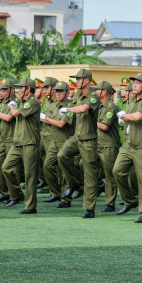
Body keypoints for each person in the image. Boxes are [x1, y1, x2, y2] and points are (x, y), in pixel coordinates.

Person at [56, 69, 101, 217]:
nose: (76, 81)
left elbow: (83, 109)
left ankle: (89, 208)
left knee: (89, 175)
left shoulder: (94, 96)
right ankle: (73, 182)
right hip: (77, 137)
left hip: (89, 139)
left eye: (79, 79)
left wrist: (67, 109)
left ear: (87, 80)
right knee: (61, 156)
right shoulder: (77, 95)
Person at [113, 72, 142, 222]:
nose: (134, 85)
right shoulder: (131, 99)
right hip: (129, 144)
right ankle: (130, 200)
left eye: (138, 83)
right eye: (134, 82)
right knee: (117, 171)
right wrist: (125, 117)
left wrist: (123, 115)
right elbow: (129, 118)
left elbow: (138, 117)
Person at [1, 77, 41, 213]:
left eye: (21, 88)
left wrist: (11, 105)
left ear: (28, 89)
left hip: (29, 142)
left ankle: (30, 206)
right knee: (6, 168)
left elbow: (15, 113)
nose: (18, 91)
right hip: (18, 142)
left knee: (30, 176)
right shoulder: (23, 102)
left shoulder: (33, 102)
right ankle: (17, 195)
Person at [39, 81, 75, 204]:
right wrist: (45, 118)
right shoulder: (56, 106)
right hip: (54, 142)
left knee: (64, 172)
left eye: (61, 91)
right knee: (47, 166)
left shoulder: (69, 107)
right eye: (57, 91)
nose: (58, 93)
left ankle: (66, 199)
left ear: (67, 92)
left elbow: (60, 124)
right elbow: (53, 121)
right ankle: (56, 192)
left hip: (66, 142)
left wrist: (45, 118)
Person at [94, 80, 120, 212]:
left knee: (109, 175)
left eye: (97, 90)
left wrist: (91, 121)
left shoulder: (111, 107)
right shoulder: (98, 106)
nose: (94, 92)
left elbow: (104, 126)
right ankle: (101, 186)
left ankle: (110, 203)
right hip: (98, 143)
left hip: (109, 145)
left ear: (104, 92)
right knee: (82, 164)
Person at [0, 79, 17, 203]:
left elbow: (8, 117)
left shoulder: (15, 102)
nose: (2, 92)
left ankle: (14, 195)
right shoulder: (3, 102)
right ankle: (4, 193)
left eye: (5, 89)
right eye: (1, 89)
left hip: (12, 139)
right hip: (3, 138)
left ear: (12, 90)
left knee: (11, 169)